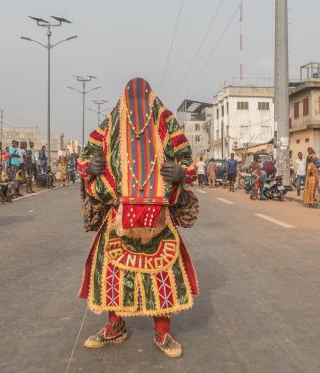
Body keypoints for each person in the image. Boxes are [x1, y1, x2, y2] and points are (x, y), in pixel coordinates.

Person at [78, 78, 198, 358]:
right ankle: (114, 326)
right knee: (112, 272)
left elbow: (189, 164)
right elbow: (85, 161)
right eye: (132, 102)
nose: (137, 109)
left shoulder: (167, 122)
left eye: (141, 101)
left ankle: (162, 331)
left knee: (163, 274)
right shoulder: (109, 125)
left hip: (159, 217)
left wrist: (181, 174)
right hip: (118, 214)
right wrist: (92, 167)